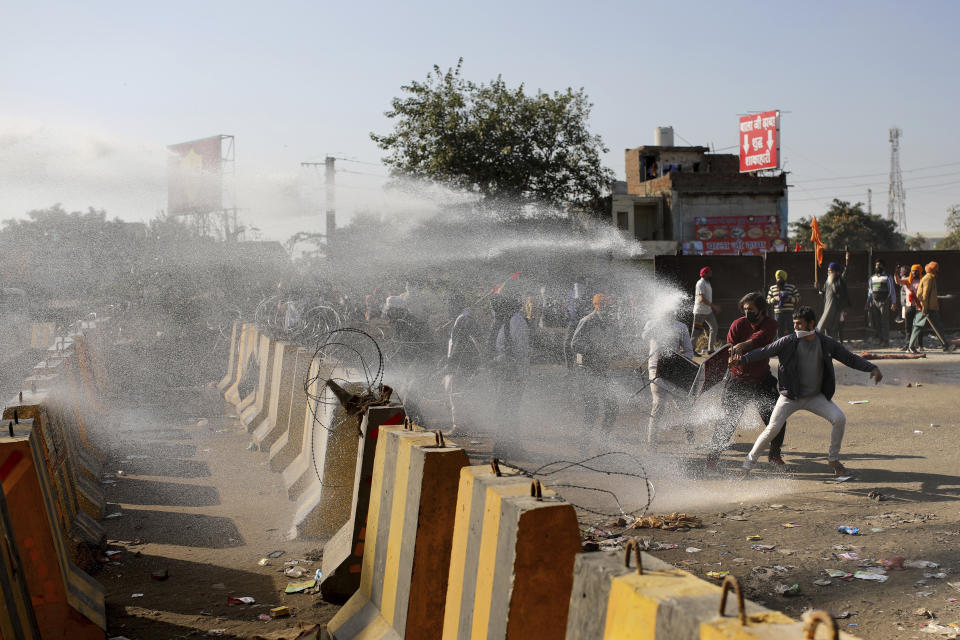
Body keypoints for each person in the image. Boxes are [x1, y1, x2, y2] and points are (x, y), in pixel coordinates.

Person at [738, 306, 882, 476]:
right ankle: (747, 465)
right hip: (790, 397)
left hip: (815, 397)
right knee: (773, 428)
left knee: (839, 419)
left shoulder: (826, 342)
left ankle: (833, 459)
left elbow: (849, 358)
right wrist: (742, 360)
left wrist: (871, 367)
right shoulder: (787, 342)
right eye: (794, 323)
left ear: (811, 323)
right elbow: (764, 351)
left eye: (799, 324)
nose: (795, 327)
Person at [707, 291, 784, 469]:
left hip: (762, 380)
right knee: (726, 423)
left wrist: (743, 345)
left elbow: (761, 339)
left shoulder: (771, 324)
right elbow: (729, 349)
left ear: (763, 310)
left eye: (751, 309)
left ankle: (774, 455)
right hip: (738, 380)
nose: (747, 312)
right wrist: (731, 358)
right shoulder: (737, 325)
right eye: (745, 309)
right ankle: (712, 459)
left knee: (777, 419)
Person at [571, 293, 623, 435]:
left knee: (612, 406)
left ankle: (603, 441)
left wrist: (617, 350)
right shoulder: (587, 321)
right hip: (586, 371)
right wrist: (594, 350)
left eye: (609, 306)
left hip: (602, 370)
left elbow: (616, 345)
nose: (608, 309)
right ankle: (585, 444)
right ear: (597, 305)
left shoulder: (610, 324)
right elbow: (575, 344)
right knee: (592, 409)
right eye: (605, 306)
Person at [642, 308, 695, 445]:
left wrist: (679, 362)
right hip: (655, 368)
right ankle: (651, 444)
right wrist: (656, 324)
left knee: (684, 404)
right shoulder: (651, 324)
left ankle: (691, 440)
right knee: (658, 404)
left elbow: (689, 352)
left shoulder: (681, 327)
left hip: (674, 369)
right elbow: (644, 337)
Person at [444, 293, 484, 433]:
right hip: (464, 363)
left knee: (455, 393)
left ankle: (458, 427)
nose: (448, 309)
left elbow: (460, 344)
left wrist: (451, 363)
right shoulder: (464, 318)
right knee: (461, 393)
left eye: (450, 305)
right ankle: (468, 422)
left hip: (461, 364)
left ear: (456, 305)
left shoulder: (464, 319)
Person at [909, 262, 949, 352]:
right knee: (918, 326)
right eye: (936, 269)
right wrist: (924, 308)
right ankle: (911, 346)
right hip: (926, 307)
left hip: (931, 307)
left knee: (937, 326)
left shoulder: (931, 278)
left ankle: (945, 344)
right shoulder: (928, 278)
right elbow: (925, 294)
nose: (938, 271)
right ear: (934, 270)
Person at [563, 278, 594, 371]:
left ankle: (581, 367)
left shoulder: (588, 295)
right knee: (567, 345)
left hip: (583, 324)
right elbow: (567, 306)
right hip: (572, 323)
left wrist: (580, 304)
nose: (578, 286)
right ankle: (570, 368)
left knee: (579, 345)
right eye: (576, 284)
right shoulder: (571, 293)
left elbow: (590, 309)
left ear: (584, 285)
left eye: (580, 284)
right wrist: (566, 313)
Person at [865, 259, 898, 346]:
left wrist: (893, 302)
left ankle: (885, 340)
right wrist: (867, 302)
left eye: (879, 265)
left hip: (884, 302)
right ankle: (879, 339)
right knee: (876, 322)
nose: (877, 267)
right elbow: (870, 291)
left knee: (884, 321)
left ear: (883, 266)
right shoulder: (872, 278)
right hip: (874, 302)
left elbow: (892, 291)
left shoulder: (888, 277)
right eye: (876, 265)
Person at [692, 267, 721, 354]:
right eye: (710, 273)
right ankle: (691, 350)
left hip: (708, 312)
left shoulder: (707, 283)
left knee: (714, 327)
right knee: (696, 331)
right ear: (705, 274)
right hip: (700, 312)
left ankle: (710, 349)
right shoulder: (700, 283)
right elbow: (702, 299)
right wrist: (714, 306)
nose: (711, 274)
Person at [817, 262, 849, 338]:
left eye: (830, 270)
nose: (828, 272)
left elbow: (845, 273)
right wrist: (819, 289)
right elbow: (823, 295)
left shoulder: (839, 281)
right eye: (828, 270)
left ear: (836, 272)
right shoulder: (827, 282)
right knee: (826, 330)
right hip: (827, 309)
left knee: (832, 329)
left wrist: (847, 262)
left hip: (836, 310)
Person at [896, 264, 923, 351]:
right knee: (908, 327)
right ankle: (908, 344)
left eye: (916, 271)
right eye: (913, 271)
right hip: (909, 307)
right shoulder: (908, 280)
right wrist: (896, 273)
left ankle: (920, 345)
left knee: (918, 327)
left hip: (919, 307)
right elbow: (898, 282)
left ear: (920, 272)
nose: (914, 272)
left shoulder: (922, 281)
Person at [767, 270, 800, 338]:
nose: (779, 279)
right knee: (779, 331)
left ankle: (793, 344)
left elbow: (798, 298)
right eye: (778, 278)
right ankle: (780, 346)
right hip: (778, 313)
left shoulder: (792, 287)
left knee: (791, 329)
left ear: (784, 278)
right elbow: (768, 300)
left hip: (789, 312)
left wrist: (789, 299)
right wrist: (775, 299)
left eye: (781, 278)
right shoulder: (772, 288)